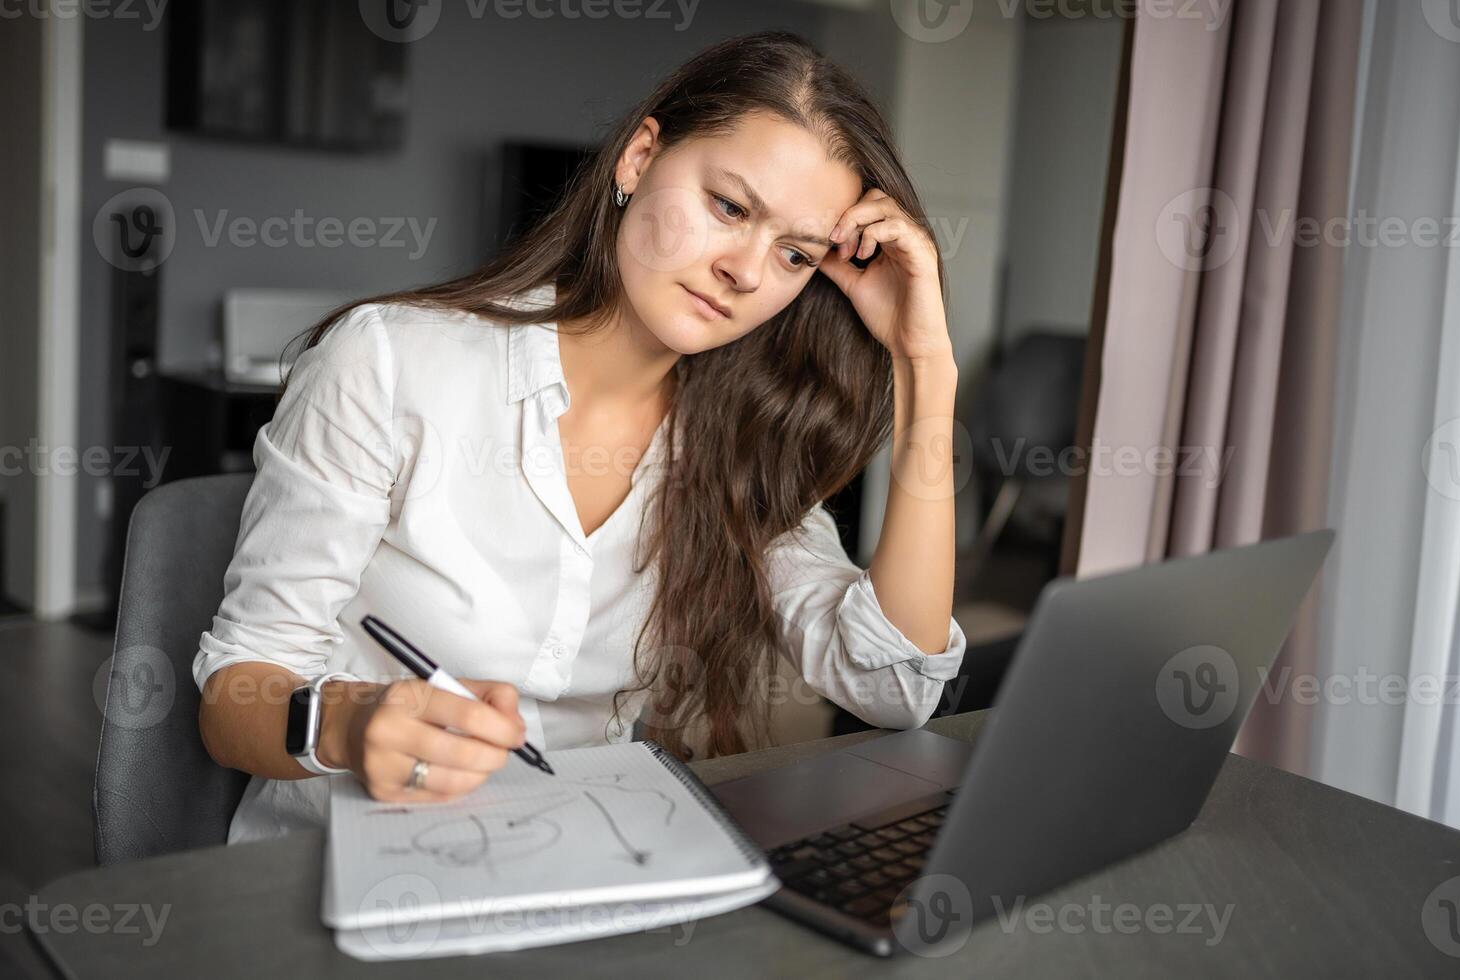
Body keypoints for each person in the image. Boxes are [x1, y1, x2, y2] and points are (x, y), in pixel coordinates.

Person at [194, 30, 967, 844]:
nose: (745, 270)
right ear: (638, 158)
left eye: (795, 254)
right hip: (337, 869)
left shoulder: (742, 444)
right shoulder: (389, 362)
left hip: (573, 866)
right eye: (729, 207)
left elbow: (894, 686)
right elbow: (232, 698)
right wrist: (347, 723)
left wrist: (926, 364)